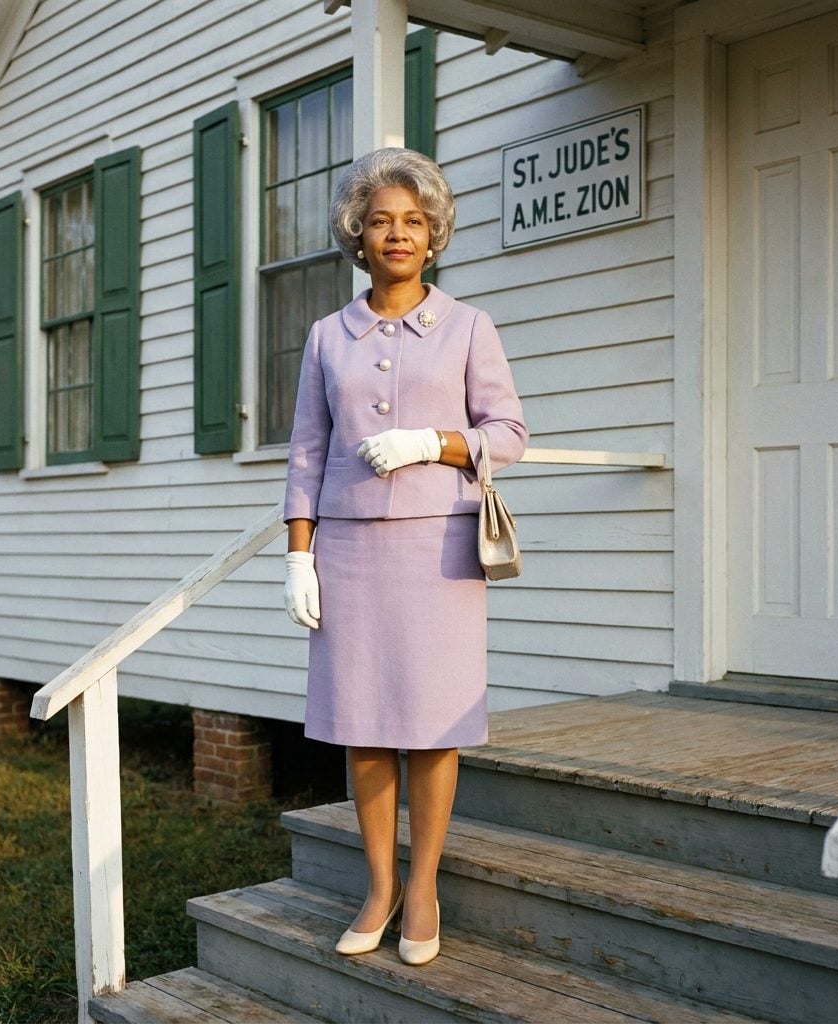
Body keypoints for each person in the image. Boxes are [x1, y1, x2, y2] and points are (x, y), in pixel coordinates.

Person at [283, 147, 527, 966]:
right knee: (364, 729)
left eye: (414, 222)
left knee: (431, 728)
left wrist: (435, 442)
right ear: (359, 233)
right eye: (382, 220)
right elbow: (305, 456)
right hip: (349, 552)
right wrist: (298, 557)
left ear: (433, 237)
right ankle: (378, 887)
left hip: (440, 552)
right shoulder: (327, 337)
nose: (398, 234)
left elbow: (509, 433)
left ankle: (422, 887)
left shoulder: (468, 327)